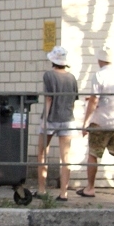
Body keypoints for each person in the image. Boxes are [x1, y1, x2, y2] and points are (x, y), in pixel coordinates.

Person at [79, 45, 114, 200]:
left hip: (100, 122)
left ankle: (90, 188)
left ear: (99, 59)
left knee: (93, 154)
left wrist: (86, 122)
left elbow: (94, 100)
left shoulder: (99, 75)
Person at [39, 45, 79, 201]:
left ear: (53, 61)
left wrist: (45, 120)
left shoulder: (48, 76)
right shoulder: (72, 78)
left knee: (42, 153)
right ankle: (64, 193)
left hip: (51, 118)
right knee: (65, 157)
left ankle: (42, 190)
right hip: (68, 119)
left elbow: (49, 98)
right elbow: (73, 100)